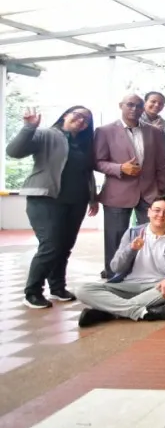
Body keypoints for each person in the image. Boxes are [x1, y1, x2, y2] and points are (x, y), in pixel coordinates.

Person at [7, 106, 98, 308]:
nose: (81, 121)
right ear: (65, 115)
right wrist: (28, 127)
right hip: (46, 199)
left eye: (86, 120)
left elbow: (86, 173)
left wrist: (92, 198)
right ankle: (32, 292)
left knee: (65, 246)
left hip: (76, 201)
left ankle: (57, 287)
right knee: (51, 245)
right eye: (78, 115)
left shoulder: (83, 144)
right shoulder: (46, 134)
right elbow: (13, 152)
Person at [75, 196, 165, 326]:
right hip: (127, 285)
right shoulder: (133, 233)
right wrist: (131, 249)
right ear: (149, 212)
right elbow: (115, 267)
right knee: (82, 290)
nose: (161, 215)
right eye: (157, 210)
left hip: (157, 287)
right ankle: (143, 312)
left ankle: (108, 312)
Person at [94, 94, 165, 279]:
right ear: (121, 105)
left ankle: (143, 272)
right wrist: (120, 168)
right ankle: (114, 274)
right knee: (115, 237)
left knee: (150, 235)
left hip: (149, 193)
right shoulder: (104, 131)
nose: (134, 109)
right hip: (117, 192)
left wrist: (160, 190)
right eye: (130, 105)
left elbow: (161, 163)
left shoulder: (154, 132)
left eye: (139, 106)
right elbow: (97, 162)